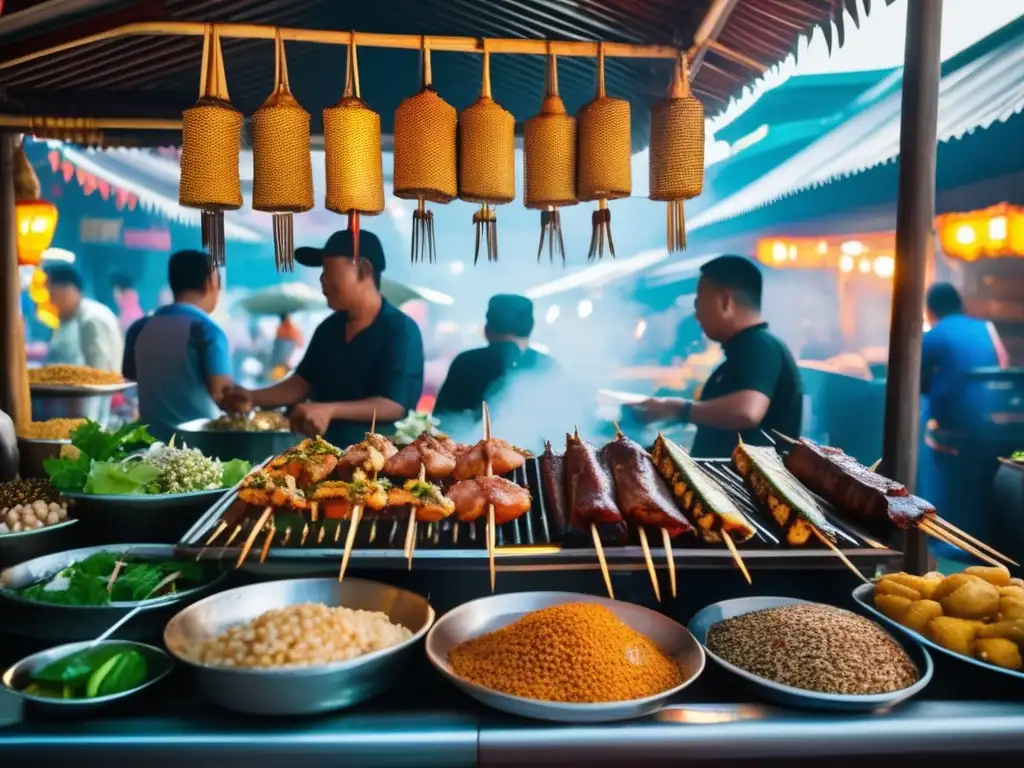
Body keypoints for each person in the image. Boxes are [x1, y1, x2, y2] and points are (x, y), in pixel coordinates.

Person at [221, 230, 424, 445]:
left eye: (328, 270)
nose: (322, 280)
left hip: (376, 456)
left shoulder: (401, 330)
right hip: (322, 451)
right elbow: (301, 383)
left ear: (364, 270)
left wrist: (330, 409)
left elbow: (393, 405)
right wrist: (252, 397)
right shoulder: (329, 328)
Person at [633, 255, 803, 458]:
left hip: (747, 488)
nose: (697, 315)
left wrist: (677, 409)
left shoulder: (759, 345)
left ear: (725, 301)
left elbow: (746, 411)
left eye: (699, 302)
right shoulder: (743, 350)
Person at [918, 282, 1007, 555]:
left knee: (921, 426)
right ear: (961, 305)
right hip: (995, 428)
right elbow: (1002, 366)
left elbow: (915, 381)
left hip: (953, 432)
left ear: (930, 310)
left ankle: (938, 536)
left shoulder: (934, 335)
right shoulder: (987, 329)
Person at [122, 250, 232, 441]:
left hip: (150, 442)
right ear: (210, 285)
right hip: (201, 444)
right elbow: (223, 393)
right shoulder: (206, 330)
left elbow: (130, 375)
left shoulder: (139, 328)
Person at [434, 294, 558, 419]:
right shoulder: (548, 367)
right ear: (531, 328)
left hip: (468, 439)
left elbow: (441, 420)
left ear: (486, 330)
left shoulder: (465, 363)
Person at [46, 265, 123, 423]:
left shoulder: (91, 319)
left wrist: (89, 422)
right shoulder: (77, 318)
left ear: (68, 289)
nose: (51, 300)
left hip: (94, 407)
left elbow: (97, 374)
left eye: (52, 292)